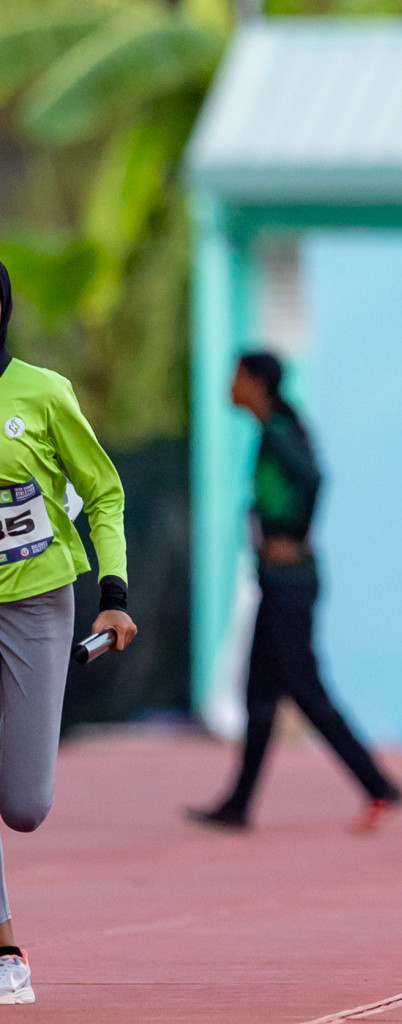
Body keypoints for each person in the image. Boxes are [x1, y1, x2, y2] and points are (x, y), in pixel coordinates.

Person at [188, 353, 402, 834]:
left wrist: (291, 537)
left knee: (304, 689)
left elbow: (312, 478)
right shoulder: (275, 429)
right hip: (277, 580)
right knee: (260, 692)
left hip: (289, 581)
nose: (229, 387)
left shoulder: (281, 433)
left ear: (256, 382)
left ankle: (377, 784)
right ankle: (239, 804)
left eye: (236, 378)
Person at [0, 260, 138, 1003]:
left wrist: (112, 594)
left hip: (35, 601)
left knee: (23, 805)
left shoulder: (43, 394)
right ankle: (5, 950)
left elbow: (105, 491)